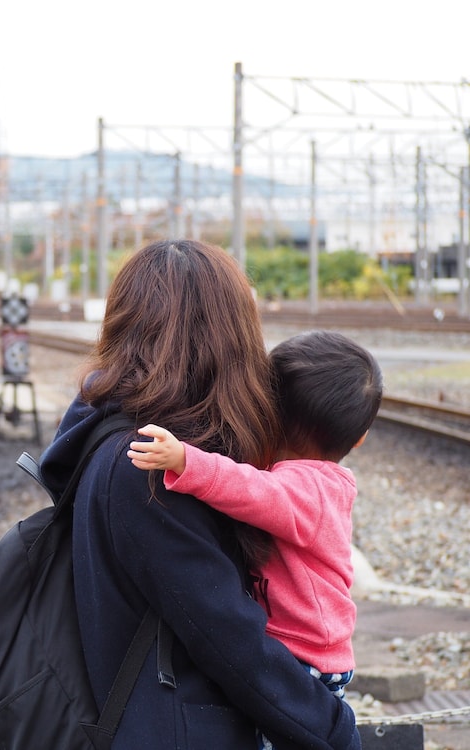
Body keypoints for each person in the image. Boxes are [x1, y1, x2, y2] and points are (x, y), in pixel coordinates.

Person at [37, 240, 360, 749]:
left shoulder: (115, 436)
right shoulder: (146, 465)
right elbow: (228, 637)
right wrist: (334, 729)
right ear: (223, 339)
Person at [129, 330, 382, 748]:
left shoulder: (310, 490)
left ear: (270, 412)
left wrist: (185, 460)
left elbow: (251, 490)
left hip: (307, 659)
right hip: (305, 651)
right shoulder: (310, 481)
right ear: (360, 437)